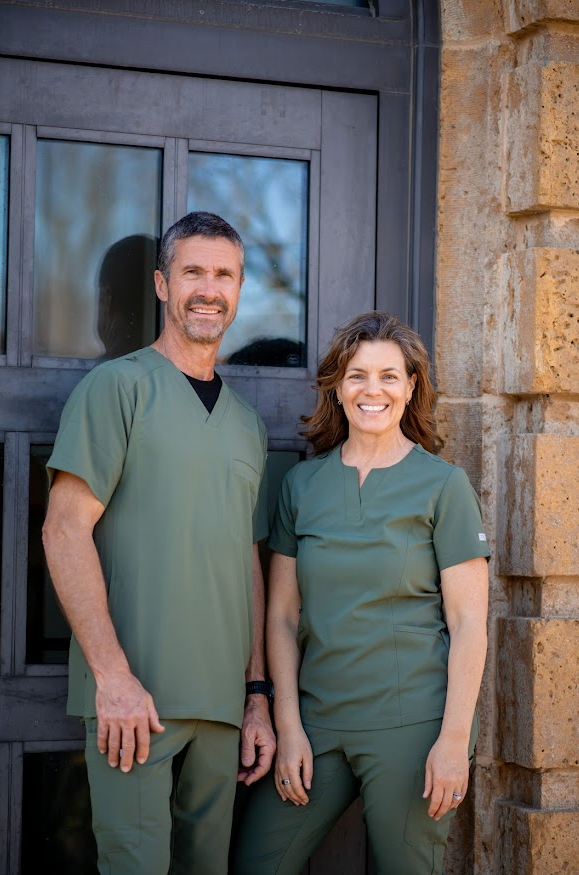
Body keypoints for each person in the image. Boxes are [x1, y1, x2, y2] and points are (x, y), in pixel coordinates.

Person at [42, 211, 276, 875]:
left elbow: (246, 564)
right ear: (163, 285)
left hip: (222, 706)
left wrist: (255, 694)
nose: (208, 287)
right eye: (193, 271)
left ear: (237, 290)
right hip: (132, 703)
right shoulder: (115, 389)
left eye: (223, 274)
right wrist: (112, 677)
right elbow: (62, 529)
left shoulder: (246, 424)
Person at [232, 310, 490, 875]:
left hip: (412, 726)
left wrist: (453, 740)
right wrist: (289, 724)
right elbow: (280, 616)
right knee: (255, 861)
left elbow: (470, 623)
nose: (373, 390)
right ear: (337, 387)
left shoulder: (443, 486)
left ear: (411, 386)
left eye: (389, 376)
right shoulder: (302, 485)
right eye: (357, 375)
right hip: (317, 722)